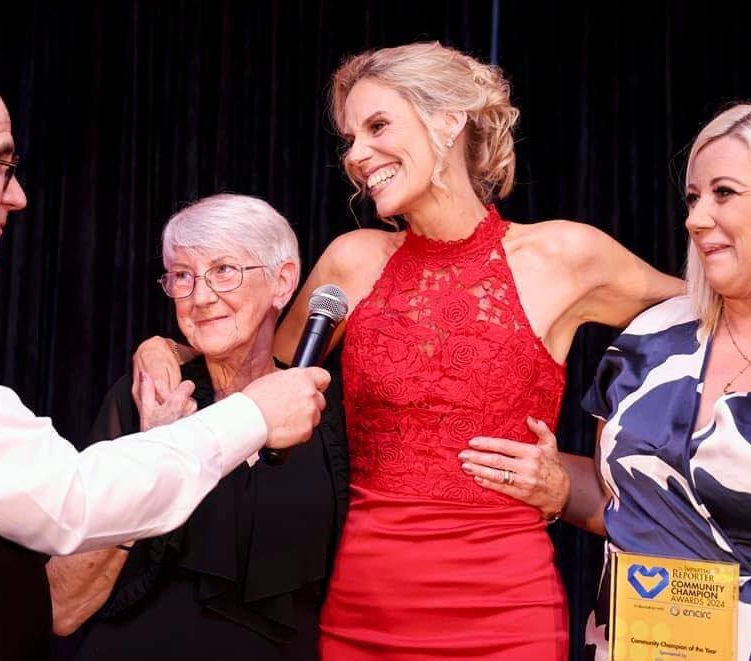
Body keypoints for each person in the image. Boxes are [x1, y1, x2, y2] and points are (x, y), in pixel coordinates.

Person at [135, 42, 683, 659]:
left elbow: (709, 321)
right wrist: (164, 347)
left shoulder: (565, 256)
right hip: (364, 605)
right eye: (349, 138)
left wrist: (577, 474)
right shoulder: (353, 260)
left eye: (376, 127)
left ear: (449, 121)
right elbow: (256, 370)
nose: (356, 155)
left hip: (506, 607)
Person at [0, 52, 329, 660]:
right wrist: (253, 416)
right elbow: (69, 501)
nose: (19, 195)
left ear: (282, 279)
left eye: (225, 271)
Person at [462, 101, 751, 660]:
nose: (696, 218)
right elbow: (628, 503)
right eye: (693, 197)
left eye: (724, 193)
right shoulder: (652, 339)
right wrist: (557, 485)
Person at [46, 194, 349, 660]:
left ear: (283, 282)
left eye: (224, 269)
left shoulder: (328, 416)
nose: (200, 297)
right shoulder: (152, 394)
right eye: (183, 276)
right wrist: (154, 450)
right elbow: (62, 606)